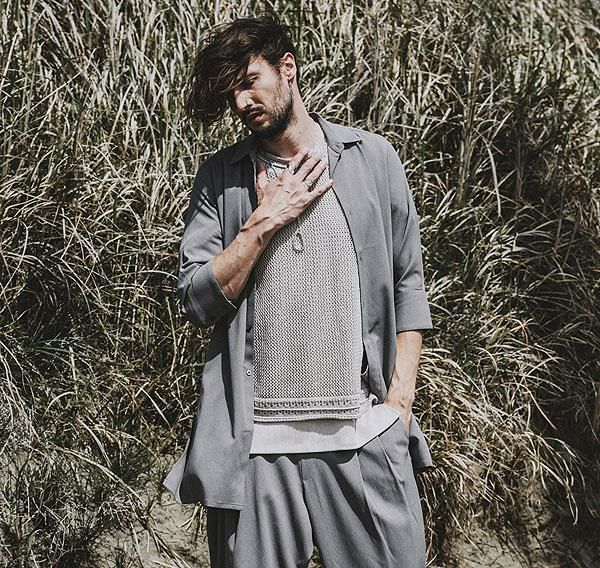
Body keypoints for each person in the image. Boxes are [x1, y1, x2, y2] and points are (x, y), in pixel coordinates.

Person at [163, 14, 435, 568]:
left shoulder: (371, 158)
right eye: (231, 93)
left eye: (250, 81)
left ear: (287, 68)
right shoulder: (221, 177)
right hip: (257, 451)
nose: (242, 102)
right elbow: (197, 298)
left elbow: (407, 280)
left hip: (362, 434)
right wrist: (264, 220)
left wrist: (399, 404)